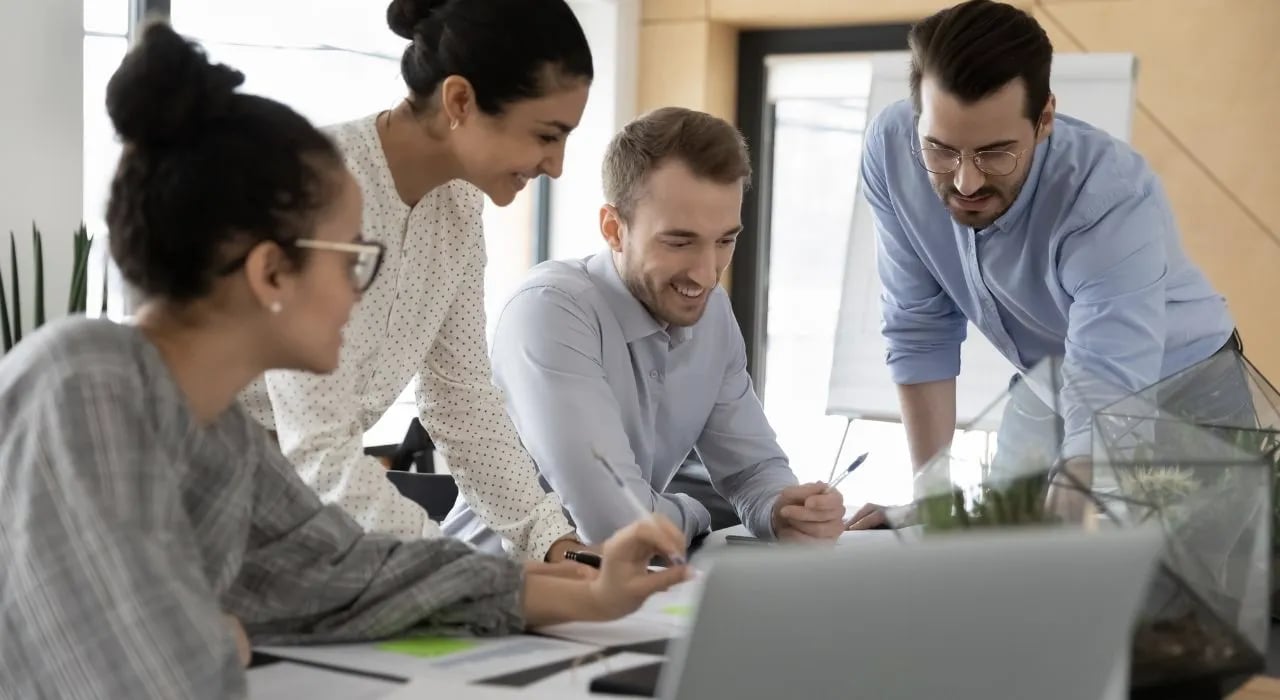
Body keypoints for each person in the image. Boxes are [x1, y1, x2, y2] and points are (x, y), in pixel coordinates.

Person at [0, 24, 689, 699]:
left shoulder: (223, 441)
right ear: (272, 272)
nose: (367, 288)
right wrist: (213, 635)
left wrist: (577, 583)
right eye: (358, 259)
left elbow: (352, 572)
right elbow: (144, 668)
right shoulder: (83, 385)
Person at [846, 0, 1241, 528]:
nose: (965, 182)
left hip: (1187, 386)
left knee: (1170, 593)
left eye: (994, 153)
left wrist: (1078, 491)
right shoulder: (890, 152)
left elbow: (1105, 376)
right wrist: (933, 497)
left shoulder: (1109, 194)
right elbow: (919, 329)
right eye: (941, 149)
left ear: (1045, 119)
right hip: (1046, 381)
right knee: (994, 552)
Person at [239, 0, 595, 562]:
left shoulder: (458, 209)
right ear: (460, 101)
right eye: (547, 135)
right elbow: (320, 450)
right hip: (188, 494)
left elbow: (461, 399)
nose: (556, 165)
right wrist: (462, 568)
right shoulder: (314, 184)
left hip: (291, 510)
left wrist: (553, 544)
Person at [488, 107, 847, 546]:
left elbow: (751, 468)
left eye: (724, 241)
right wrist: (694, 512)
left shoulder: (711, 312)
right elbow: (619, 523)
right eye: (679, 242)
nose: (706, 273)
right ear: (613, 229)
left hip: (626, 594)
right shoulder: (550, 312)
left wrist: (782, 509)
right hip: (499, 593)